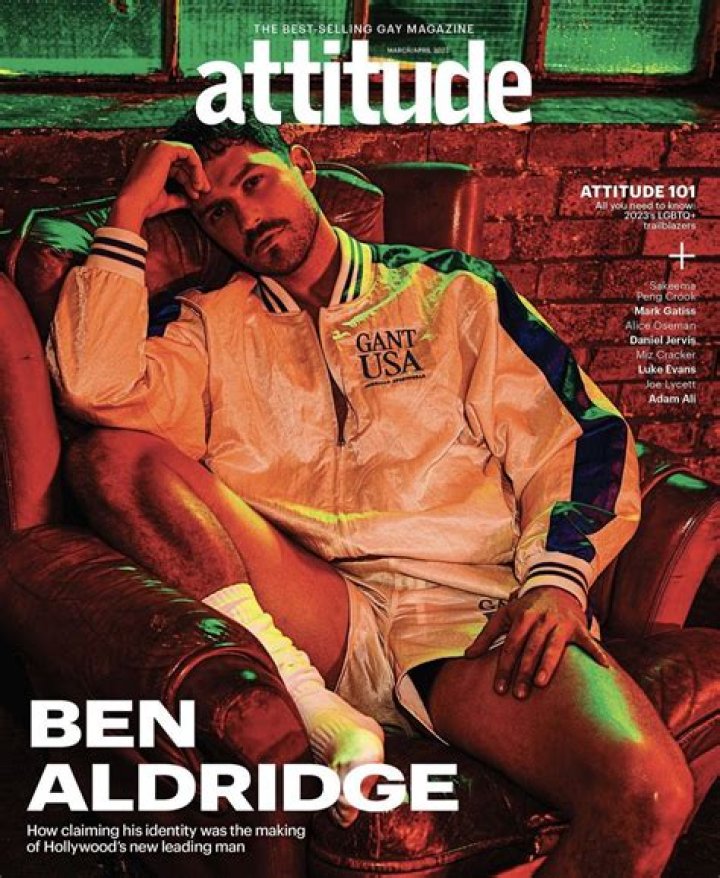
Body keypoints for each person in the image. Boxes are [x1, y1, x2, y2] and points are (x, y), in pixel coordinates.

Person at [46, 108, 693, 876]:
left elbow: (579, 436)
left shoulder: (451, 291)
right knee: (111, 458)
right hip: (313, 609)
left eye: (256, 182)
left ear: (304, 166)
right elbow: (96, 389)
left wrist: (557, 580)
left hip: (467, 616)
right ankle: (320, 712)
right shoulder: (208, 325)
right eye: (217, 211)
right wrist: (129, 209)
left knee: (648, 796)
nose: (246, 218)